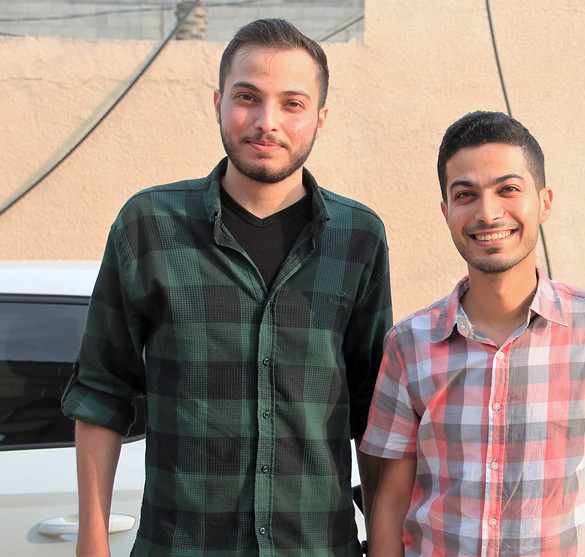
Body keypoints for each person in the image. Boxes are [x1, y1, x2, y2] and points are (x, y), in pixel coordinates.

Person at [61, 18, 391, 556]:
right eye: (247, 97)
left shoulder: (358, 238)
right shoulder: (149, 226)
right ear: (218, 103)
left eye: (291, 103)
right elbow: (102, 392)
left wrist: (382, 540)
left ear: (320, 118)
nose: (267, 122)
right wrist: (91, 543)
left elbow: (372, 411)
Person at [360, 111, 585, 556]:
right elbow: (390, 503)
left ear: (545, 202)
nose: (488, 213)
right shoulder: (408, 345)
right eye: (466, 195)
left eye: (508, 189)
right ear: (446, 212)